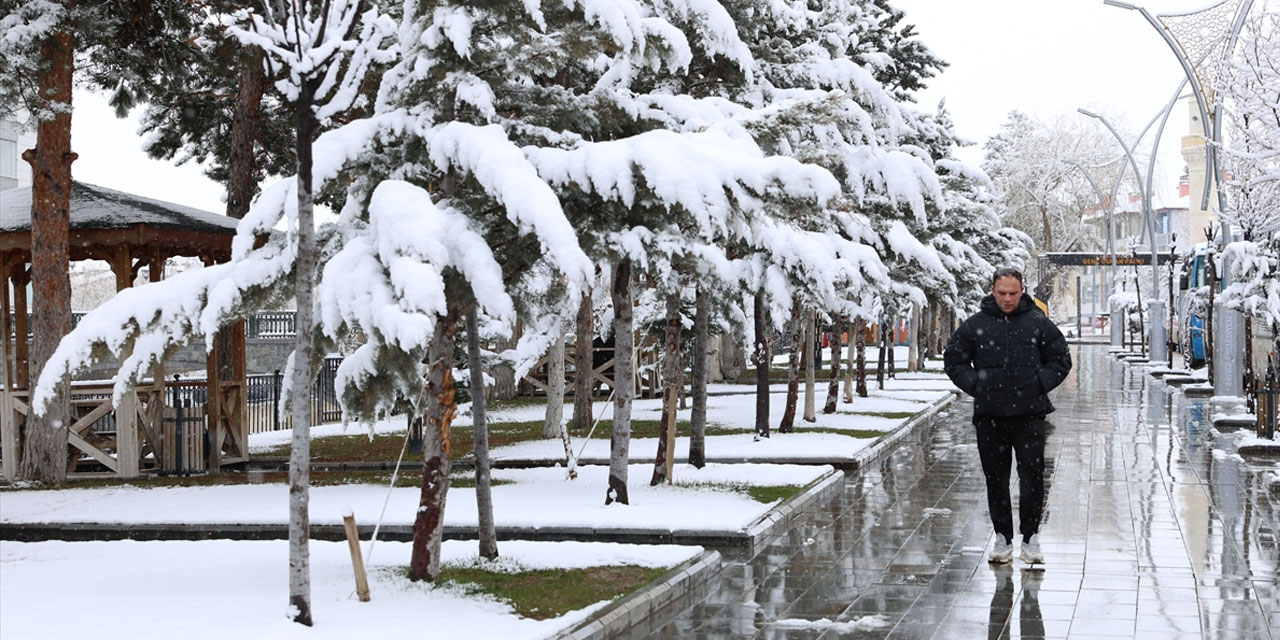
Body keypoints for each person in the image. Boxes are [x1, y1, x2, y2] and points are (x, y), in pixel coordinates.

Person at [944, 267, 1072, 564]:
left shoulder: (1038, 323)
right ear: (993, 290)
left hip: (1029, 416)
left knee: (1032, 479)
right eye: (1002, 293)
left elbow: (1060, 359)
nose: (1007, 298)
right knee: (996, 479)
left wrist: (1040, 384)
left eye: (1013, 293)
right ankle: (1003, 538)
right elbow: (954, 360)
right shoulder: (975, 325)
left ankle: (1031, 539)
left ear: (1022, 290)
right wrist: (977, 385)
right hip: (991, 417)